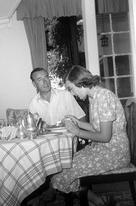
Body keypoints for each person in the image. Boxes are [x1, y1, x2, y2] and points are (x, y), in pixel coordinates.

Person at [51, 65, 130, 205]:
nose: (72, 93)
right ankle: (95, 200)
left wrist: (78, 132)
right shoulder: (94, 97)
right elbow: (96, 128)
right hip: (101, 150)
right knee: (60, 164)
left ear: (80, 83)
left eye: (71, 89)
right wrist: (78, 123)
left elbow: (105, 137)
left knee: (63, 172)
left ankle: (94, 200)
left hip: (115, 154)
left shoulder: (104, 97)